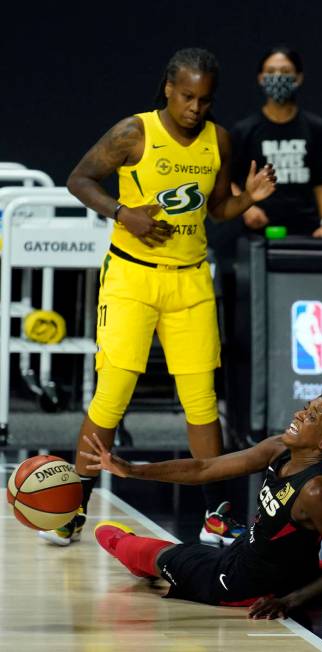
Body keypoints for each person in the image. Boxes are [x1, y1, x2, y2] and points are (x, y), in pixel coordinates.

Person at [38, 47, 276, 548]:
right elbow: (79, 179)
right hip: (132, 278)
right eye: (187, 96)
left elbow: (217, 208)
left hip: (190, 280)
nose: (195, 107)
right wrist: (123, 213)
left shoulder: (219, 140)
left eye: (204, 99)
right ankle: (70, 507)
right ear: (168, 87)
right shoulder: (134, 132)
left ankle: (216, 516)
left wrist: (248, 198)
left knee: (201, 404)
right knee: (112, 394)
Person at [81, 393, 322, 618]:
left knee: (126, 544)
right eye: (307, 407)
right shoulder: (280, 447)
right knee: (282, 557)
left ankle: (138, 556)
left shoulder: (317, 491)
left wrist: (288, 603)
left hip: (239, 583)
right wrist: (131, 470)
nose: (301, 414)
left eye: (314, 416)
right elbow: (205, 468)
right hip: (271, 561)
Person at [231, 45, 322, 237]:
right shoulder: (244, 130)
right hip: (259, 232)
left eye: (285, 71)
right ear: (261, 78)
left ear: (298, 78)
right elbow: (227, 179)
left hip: (307, 231)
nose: (278, 77)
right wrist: (246, 208)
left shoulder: (315, 127)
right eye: (271, 72)